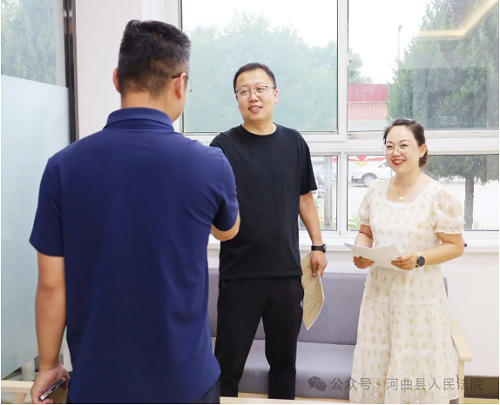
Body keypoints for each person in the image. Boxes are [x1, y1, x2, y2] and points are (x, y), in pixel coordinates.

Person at [29, 20, 240, 404]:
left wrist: (48, 365)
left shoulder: (62, 167)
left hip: (97, 387)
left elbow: (51, 286)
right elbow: (228, 231)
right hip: (186, 385)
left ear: (117, 79)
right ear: (181, 84)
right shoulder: (210, 164)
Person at [210, 63, 328, 400]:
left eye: (260, 88)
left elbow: (304, 198)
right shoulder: (222, 147)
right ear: (237, 99)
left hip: (286, 276)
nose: (253, 96)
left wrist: (318, 246)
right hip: (239, 275)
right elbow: (213, 207)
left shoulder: (294, 142)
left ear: (275, 95)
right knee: (227, 367)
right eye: (244, 91)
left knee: (284, 365)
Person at [350, 118, 464, 404]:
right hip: (379, 297)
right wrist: (361, 252)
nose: (395, 152)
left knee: (416, 368)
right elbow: (366, 233)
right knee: (378, 363)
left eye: (403, 145)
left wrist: (419, 258)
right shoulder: (375, 191)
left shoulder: (438, 196)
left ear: (422, 150)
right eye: (389, 146)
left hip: (419, 299)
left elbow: (455, 246)